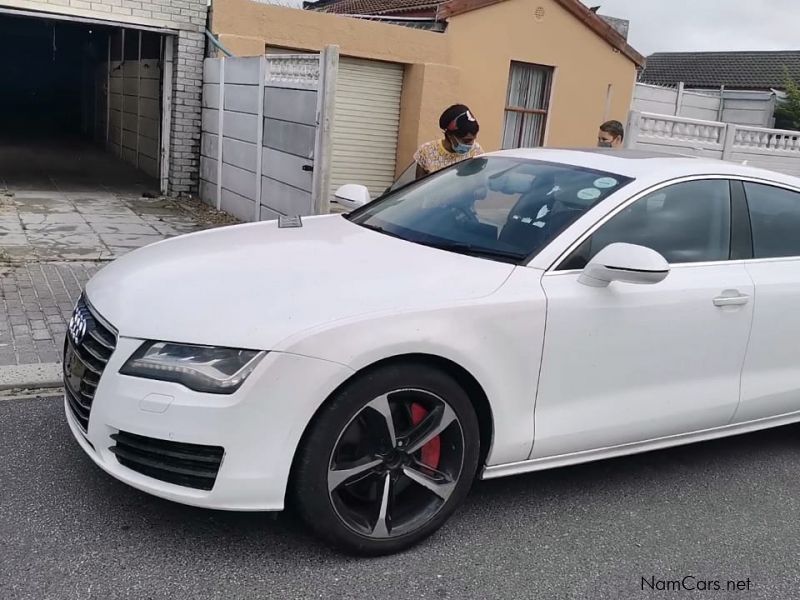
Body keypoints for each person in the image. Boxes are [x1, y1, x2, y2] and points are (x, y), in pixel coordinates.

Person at [414, 104, 484, 179]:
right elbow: (418, 186)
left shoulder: (476, 151)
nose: (471, 144)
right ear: (450, 135)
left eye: (473, 139)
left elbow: (480, 181)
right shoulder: (427, 151)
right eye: (466, 141)